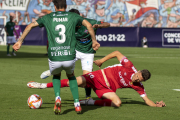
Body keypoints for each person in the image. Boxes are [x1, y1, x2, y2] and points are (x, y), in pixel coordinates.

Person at [13, 0, 100, 115]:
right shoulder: (73, 16)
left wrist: (20, 41)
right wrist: (94, 40)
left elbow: (30, 25)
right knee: (71, 76)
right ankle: (77, 104)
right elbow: (89, 25)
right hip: (69, 55)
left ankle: (58, 98)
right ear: (66, 6)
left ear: (54, 6)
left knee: (56, 75)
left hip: (54, 56)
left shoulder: (48, 17)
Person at [27, 51, 166, 108]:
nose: (136, 78)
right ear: (139, 71)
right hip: (98, 77)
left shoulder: (139, 86)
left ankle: (90, 102)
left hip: (104, 89)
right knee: (72, 82)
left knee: (117, 103)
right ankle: (42, 85)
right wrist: (102, 60)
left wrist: (156, 105)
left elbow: (146, 100)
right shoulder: (129, 66)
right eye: (137, 75)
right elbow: (117, 53)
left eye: (138, 79)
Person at [41, 8, 110, 99]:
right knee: (66, 67)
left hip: (88, 53)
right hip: (75, 51)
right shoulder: (68, 25)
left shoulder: (89, 22)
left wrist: (99, 26)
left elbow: (107, 24)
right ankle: (53, 70)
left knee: (87, 77)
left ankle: (88, 97)